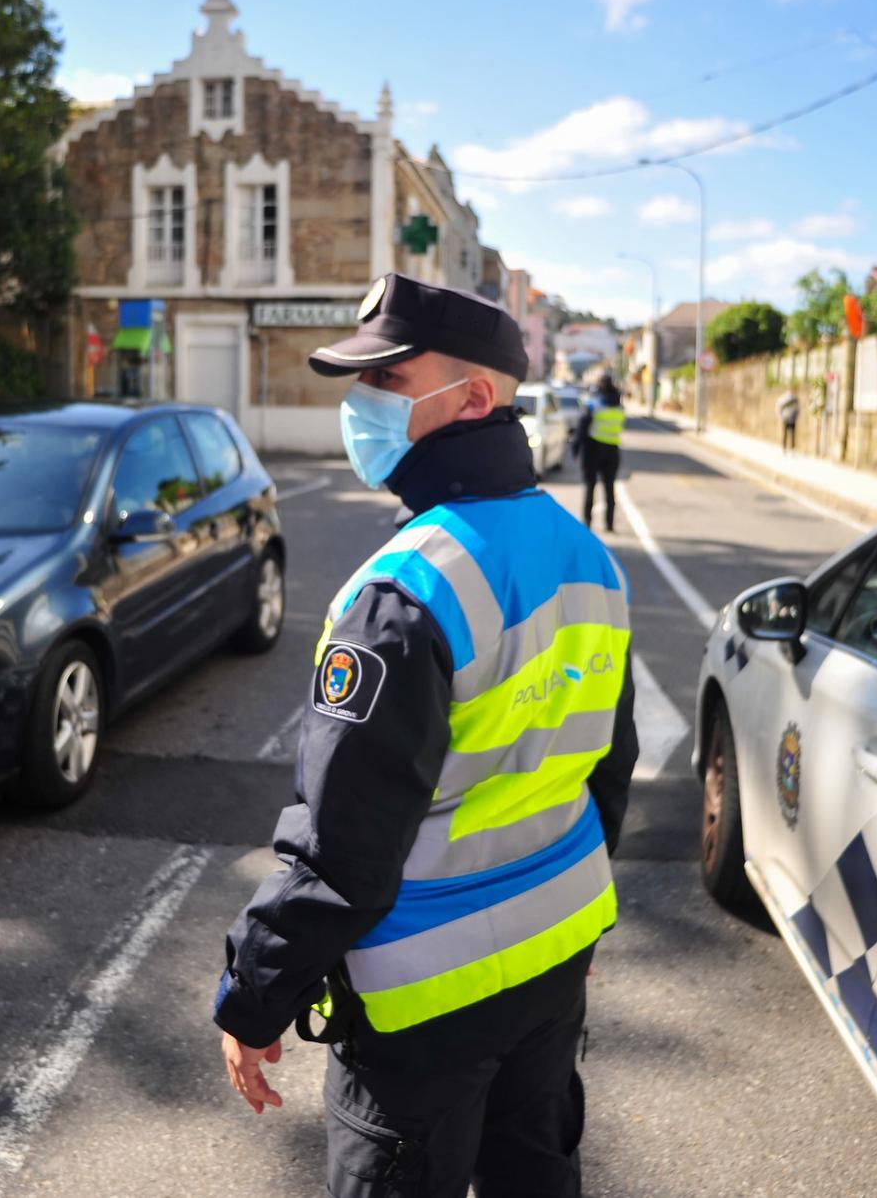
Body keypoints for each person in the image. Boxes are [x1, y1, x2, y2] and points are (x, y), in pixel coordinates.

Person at [214, 273, 640, 1198]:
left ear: (474, 398)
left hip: (424, 1006)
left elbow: (342, 850)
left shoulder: (403, 592)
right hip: (552, 962)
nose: (359, 405)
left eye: (388, 383)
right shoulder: (589, 557)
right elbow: (608, 772)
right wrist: (571, 943)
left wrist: (254, 999)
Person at [571, 375, 624, 533]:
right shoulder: (619, 406)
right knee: (609, 488)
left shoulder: (594, 403)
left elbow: (582, 427)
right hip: (612, 450)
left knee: (590, 487)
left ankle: (587, 521)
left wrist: (575, 448)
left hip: (593, 449)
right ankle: (609, 524)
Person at [776, 386, 801, 453]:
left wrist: (781, 416)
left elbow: (778, 407)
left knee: (787, 434)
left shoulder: (784, 398)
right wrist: (796, 417)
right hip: (790, 418)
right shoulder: (793, 399)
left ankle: (786, 448)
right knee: (790, 434)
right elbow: (798, 409)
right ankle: (790, 449)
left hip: (788, 418)